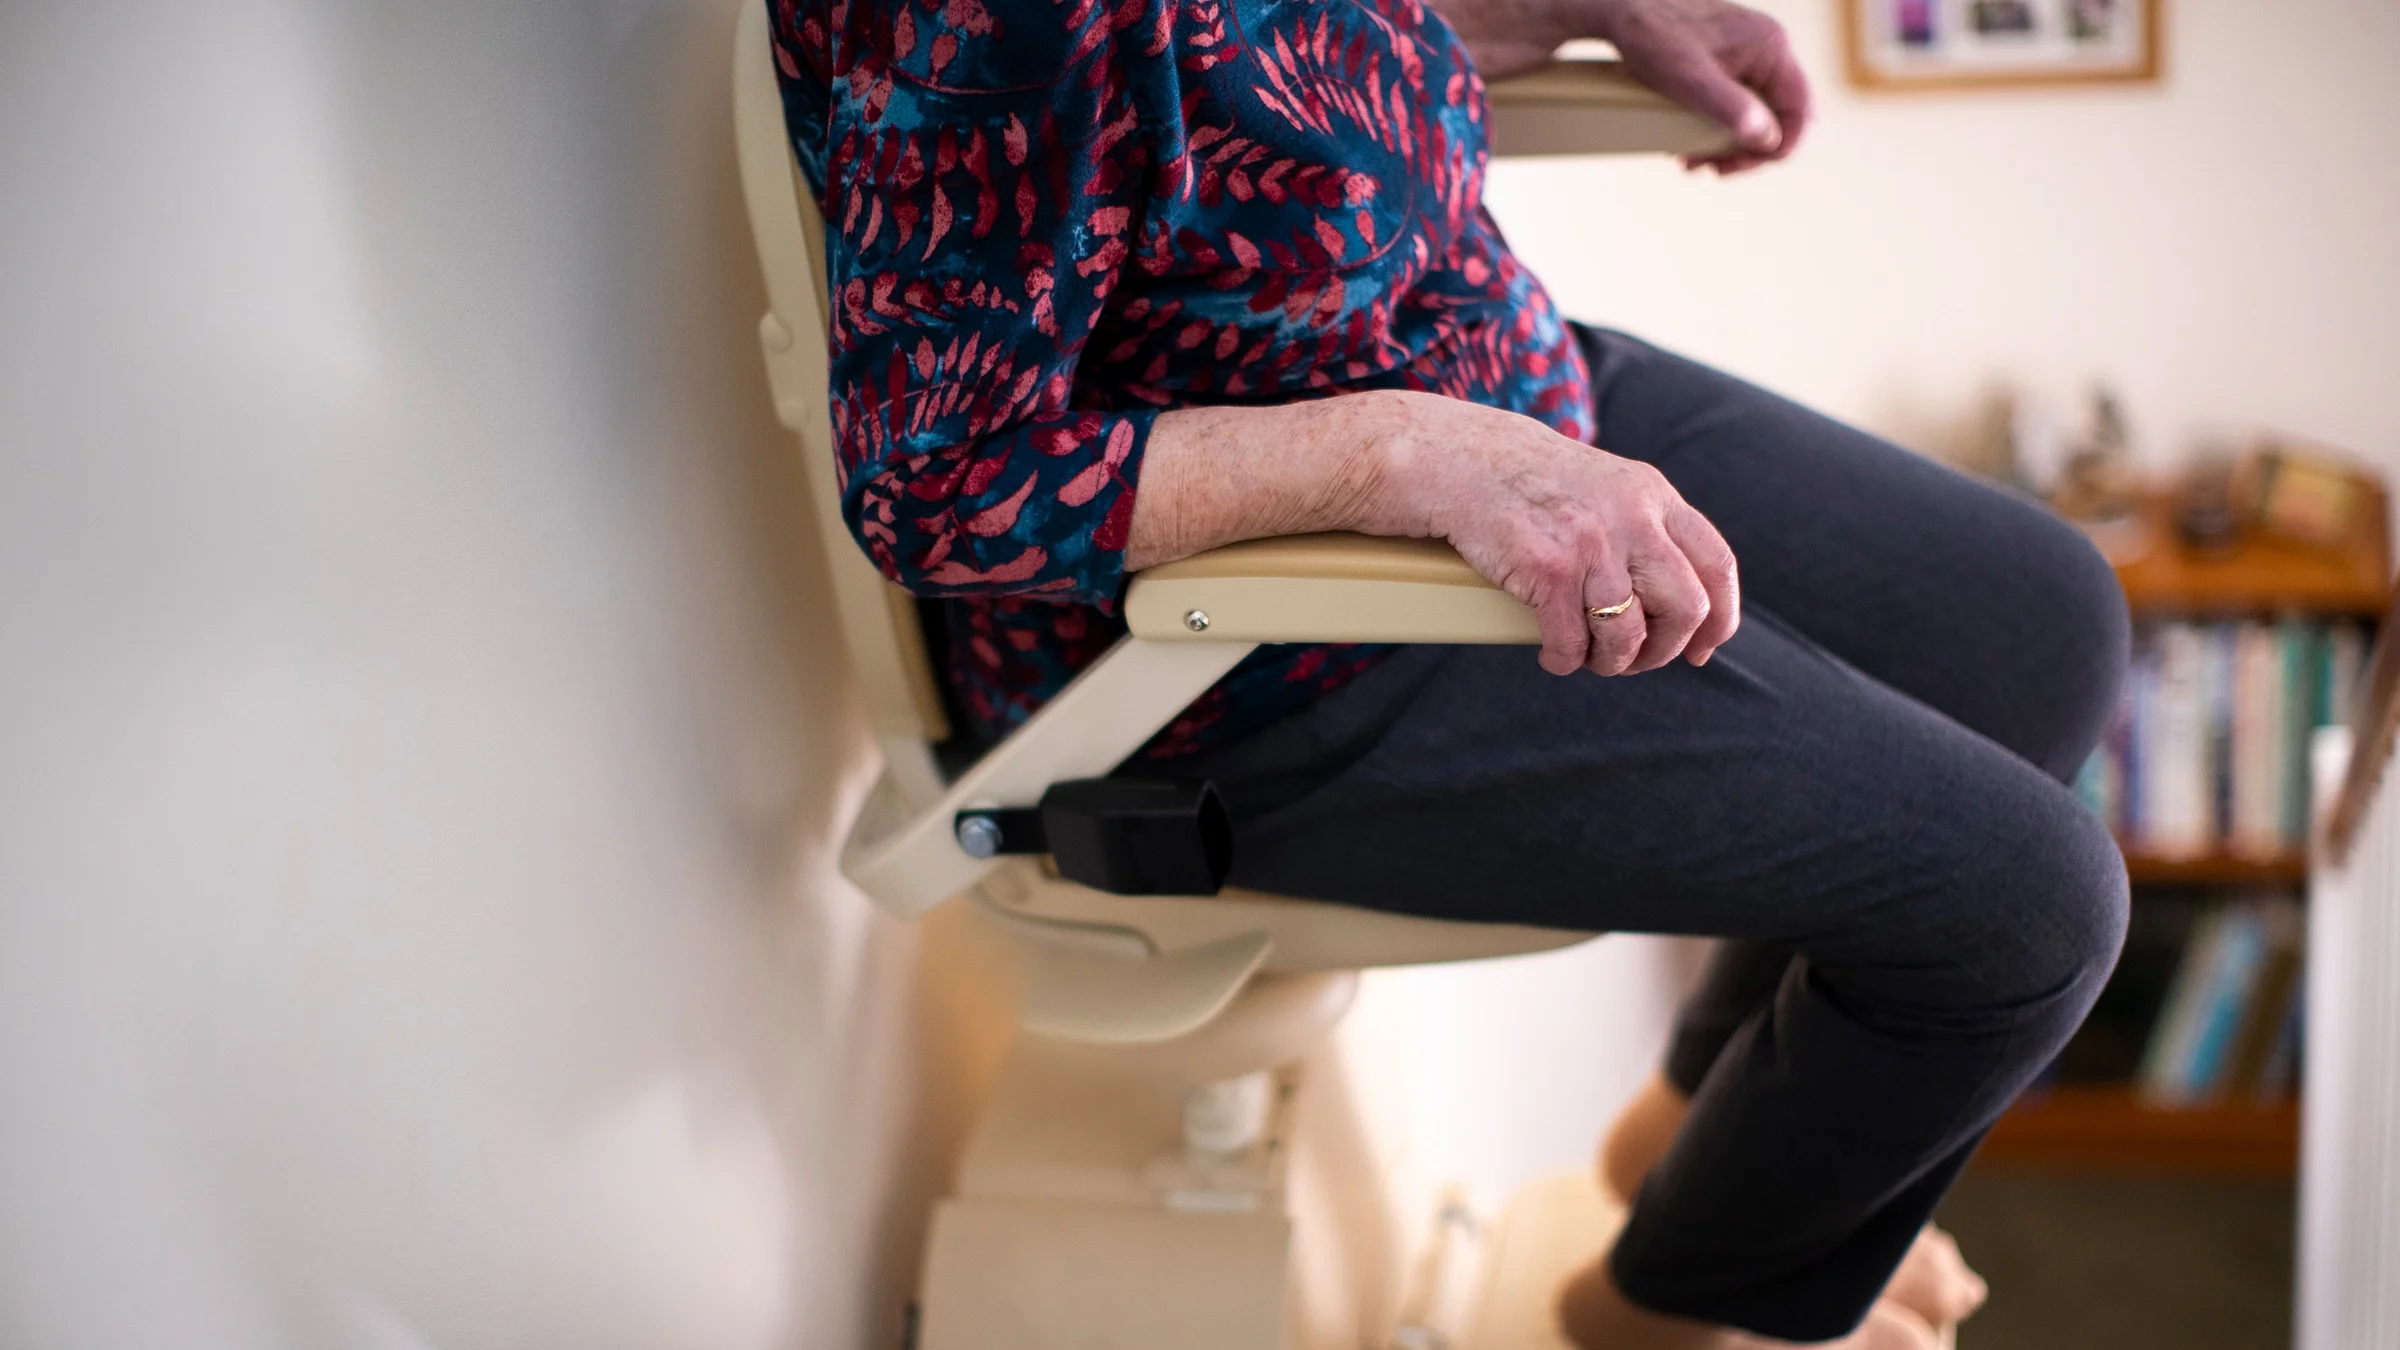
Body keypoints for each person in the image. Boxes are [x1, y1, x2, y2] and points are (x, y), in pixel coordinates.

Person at [769, 0, 2129, 1344]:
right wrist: (1399, 458)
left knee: (2042, 626)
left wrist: (1521, 13)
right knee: (2031, 911)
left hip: (1489, 389)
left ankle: (1693, 1150)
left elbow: (1223, 75)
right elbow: (939, 493)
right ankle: (1656, 1311)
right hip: (1255, 642)